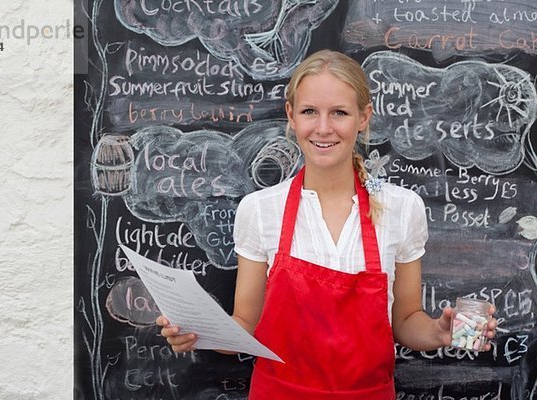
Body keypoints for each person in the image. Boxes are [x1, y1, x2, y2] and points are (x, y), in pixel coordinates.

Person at [156, 49, 498, 399]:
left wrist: (440, 334)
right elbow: (247, 324)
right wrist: (201, 331)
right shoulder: (259, 210)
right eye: (309, 112)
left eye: (339, 113)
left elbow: (406, 320)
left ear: (363, 117)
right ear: (291, 115)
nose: (323, 128)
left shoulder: (402, 208)